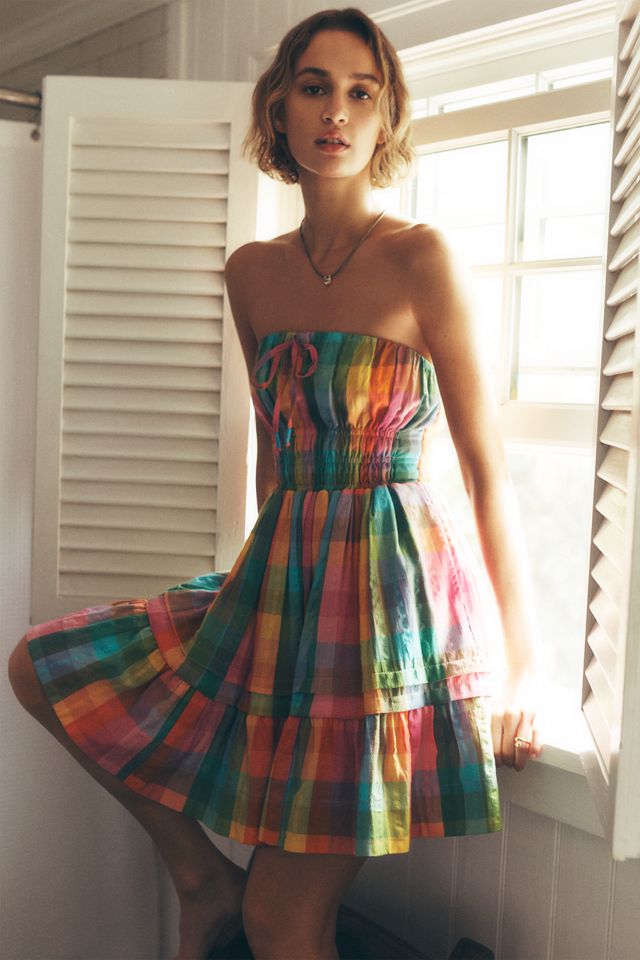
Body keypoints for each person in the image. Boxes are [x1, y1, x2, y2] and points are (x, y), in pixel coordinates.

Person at [8, 7, 545, 960]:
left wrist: (523, 666)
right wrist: (259, 608)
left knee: (283, 917)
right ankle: (199, 878)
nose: (336, 111)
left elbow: (486, 472)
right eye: (314, 87)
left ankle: (219, 897)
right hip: (285, 588)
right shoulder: (251, 272)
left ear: (386, 118)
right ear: (279, 108)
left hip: (385, 612)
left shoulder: (420, 257)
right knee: (39, 669)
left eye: (361, 92)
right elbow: (273, 456)